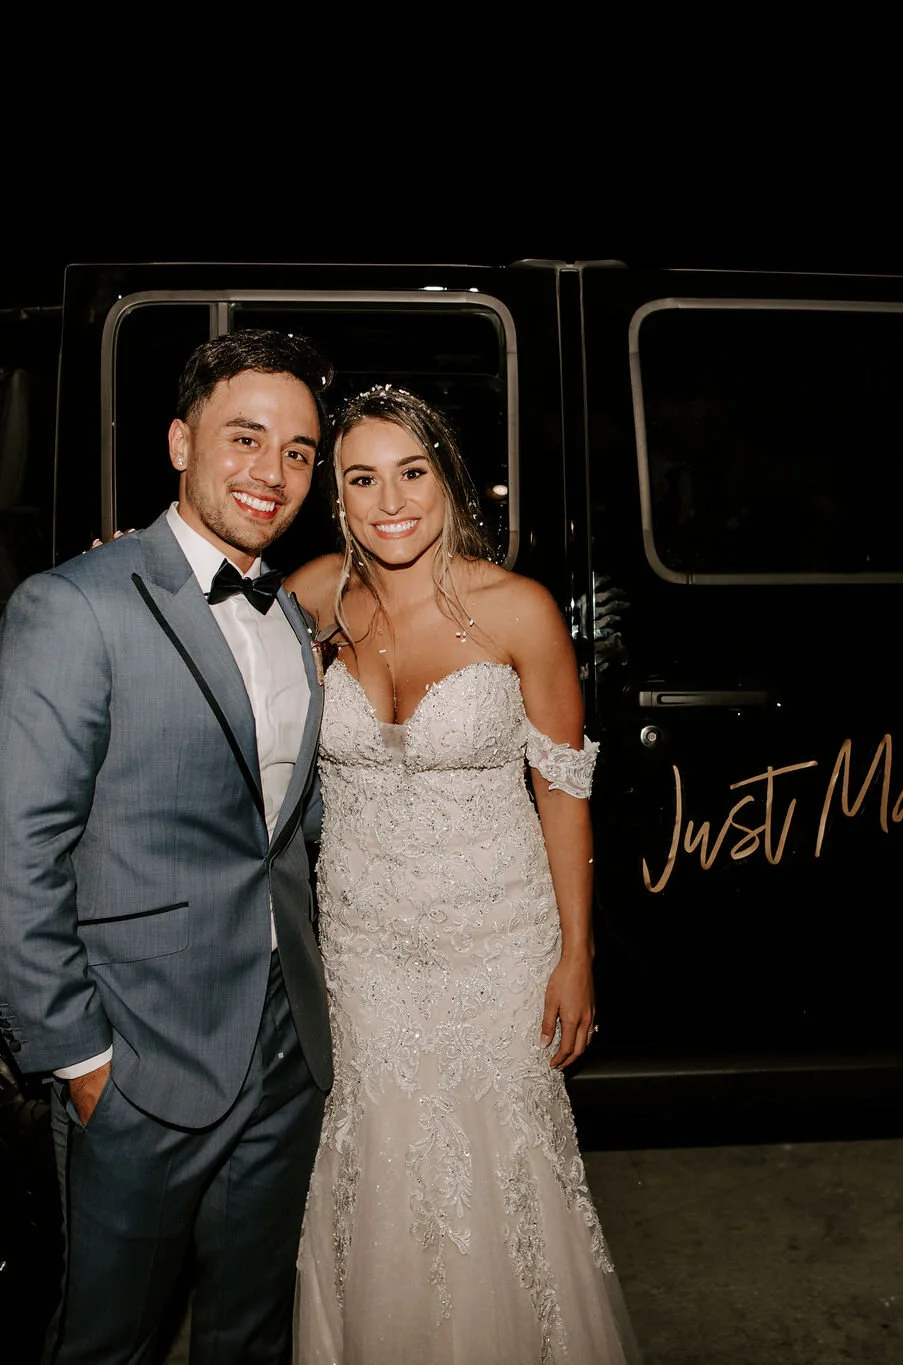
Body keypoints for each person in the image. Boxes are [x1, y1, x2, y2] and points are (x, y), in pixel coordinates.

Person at [0, 330, 333, 1365]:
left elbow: (285, 827)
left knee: (250, 1332)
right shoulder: (72, 605)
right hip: (141, 1054)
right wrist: (81, 1059)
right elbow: (10, 853)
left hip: (284, 1045)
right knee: (109, 1343)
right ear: (179, 443)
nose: (271, 472)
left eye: (298, 451)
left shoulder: (293, 618)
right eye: (244, 437)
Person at [286, 386, 639, 1364]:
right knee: (377, 1160)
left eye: (411, 472)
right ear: (338, 496)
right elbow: (199, 633)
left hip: (497, 947)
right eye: (362, 479)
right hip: (364, 950)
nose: (390, 501)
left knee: (505, 1171)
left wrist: (577, 953)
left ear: (446, 479)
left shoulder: (518, 609)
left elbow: (561, 789)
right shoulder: (314, 598)